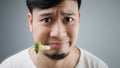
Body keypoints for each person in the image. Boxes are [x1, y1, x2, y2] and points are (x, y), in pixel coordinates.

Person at [0, 0, 108, 68]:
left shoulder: (97, 66)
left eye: (68, 19)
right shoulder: (9, 66)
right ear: (31, 22)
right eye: (46, 20)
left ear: (78, 19)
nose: (59, 34)